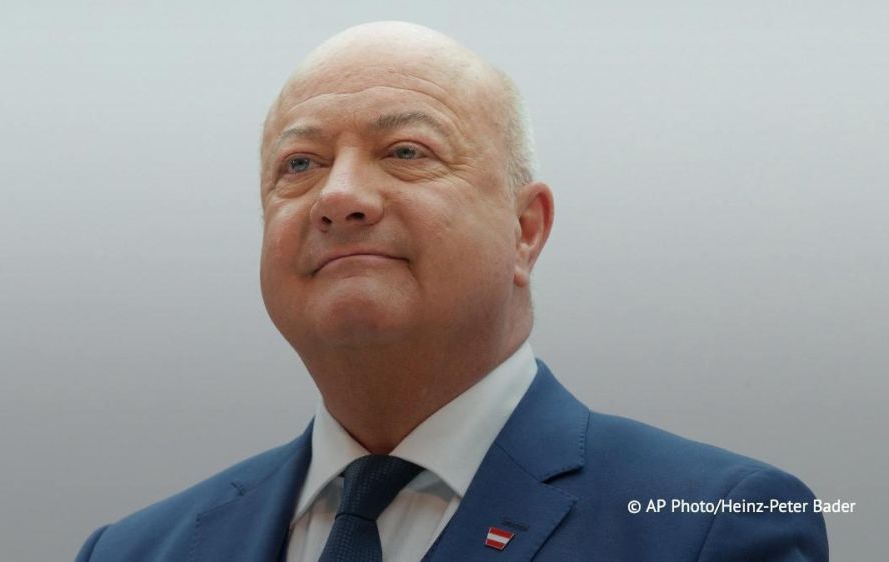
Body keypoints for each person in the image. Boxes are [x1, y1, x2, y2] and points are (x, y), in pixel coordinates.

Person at [76, 21, 827, 562]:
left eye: (406, 151)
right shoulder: (135, 550)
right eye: (299, 164)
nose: (339, 196)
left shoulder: (712, 525)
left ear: (525, 230)